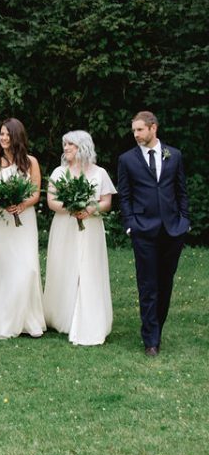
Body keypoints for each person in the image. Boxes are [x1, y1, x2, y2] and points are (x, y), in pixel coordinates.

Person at [117, 111, 189, 356]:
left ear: (153, 128)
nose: (136, 135)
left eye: (140, 130)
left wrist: (184, 221)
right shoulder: (127, 159)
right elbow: (124, 195)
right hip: (143, 229)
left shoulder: (174, 155)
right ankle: (151, 340)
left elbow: (181, 191)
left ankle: (157, 328)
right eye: (134, 131)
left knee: (165, 283)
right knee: (148, 284)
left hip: (172, 229)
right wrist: (130, 224)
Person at [43, 130, 115, 345]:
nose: (66, 148)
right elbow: (51, 202)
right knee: (64, 266)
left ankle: (89, 314)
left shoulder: (99, 173)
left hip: (90, 227)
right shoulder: (59, 172)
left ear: (83, 147)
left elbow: (106, 202)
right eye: (65, 144)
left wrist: (89, 209)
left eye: (71, 145)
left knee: (88, 268)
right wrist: (72, 207)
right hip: (64, 226)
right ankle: (62, 316)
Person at [0, 118, 45, 339]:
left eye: (8, 134)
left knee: (27, 268)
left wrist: (22, 204)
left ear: (17, 137)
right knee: (4, 268)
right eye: (2, 134)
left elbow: (35, 192)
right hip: (1, 220)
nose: (4, 138)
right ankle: (3, 320)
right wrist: (3, 202)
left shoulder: (31, 162)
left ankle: (27, 320)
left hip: (25, 221)